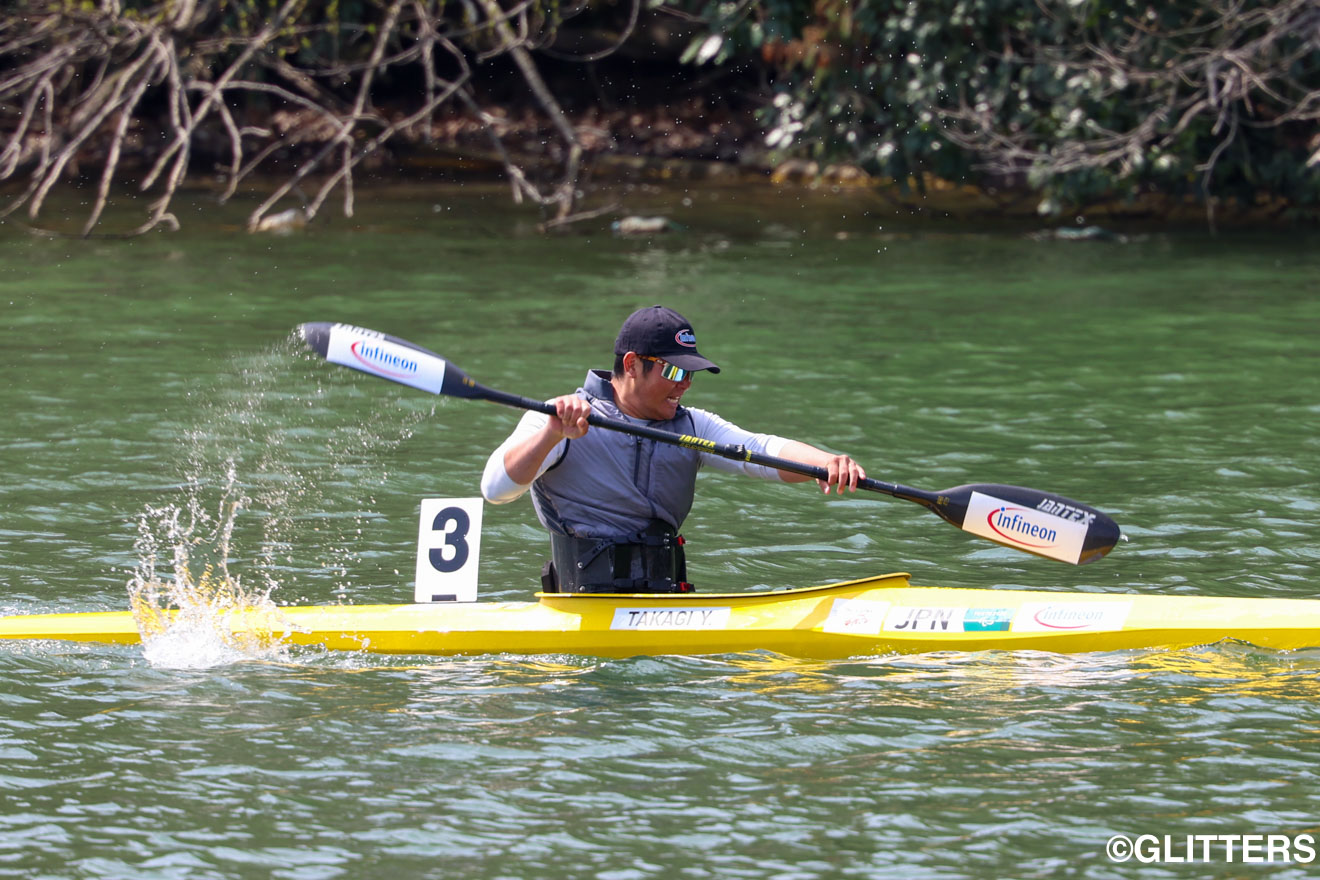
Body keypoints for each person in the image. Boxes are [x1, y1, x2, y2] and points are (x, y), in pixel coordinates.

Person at [481, 305, 865, 594]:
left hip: (666, 603)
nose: (685, 385)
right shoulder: (560, 416)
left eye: (691, 374)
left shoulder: (693, 426)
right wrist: (552, 434)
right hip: (581, 604)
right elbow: (495, 490)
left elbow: (760, 450)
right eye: (675, 371)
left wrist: (825, 463)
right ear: (632, 364)